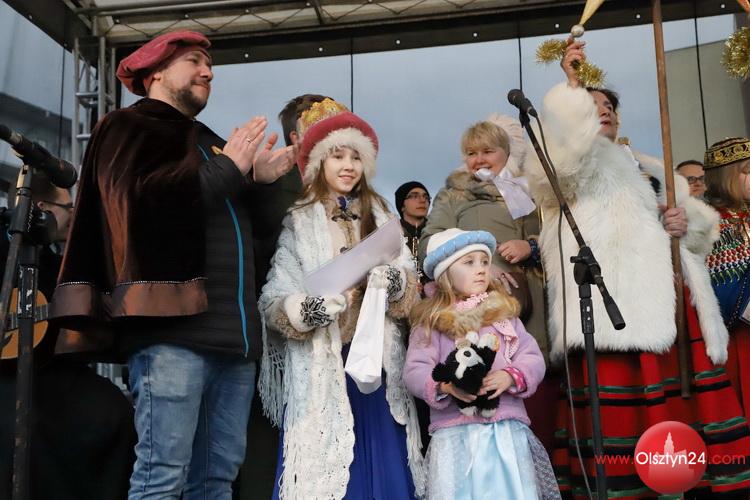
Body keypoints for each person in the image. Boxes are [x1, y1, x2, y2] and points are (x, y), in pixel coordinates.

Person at [50, 30, 295, 499]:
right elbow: (140, 209)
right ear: (156, 72)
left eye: (210, 65)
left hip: (233, 340)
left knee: (217, 479)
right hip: (171, 335)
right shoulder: (127, 127)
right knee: (161, 476)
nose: (208, 72)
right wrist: (231, 168)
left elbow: (256, 236)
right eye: (195, 61)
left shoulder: (210, 144)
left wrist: (260, 181)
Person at [525, 37, 750, 498]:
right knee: (622, 428)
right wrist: (571, 86)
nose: (602, 110)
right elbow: (563, 155)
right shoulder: (570, 167)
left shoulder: (651, 166)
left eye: (608, 105)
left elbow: (699, 236)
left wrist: (683, 224)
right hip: (613, 310)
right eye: (591, 106)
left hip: (671, 307)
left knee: (685, 423)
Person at [258, 98, 425, 499]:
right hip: (325, 365)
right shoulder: (299, 220)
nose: (348, 165)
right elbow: (274, 299)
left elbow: (411, 284)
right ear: (319, 162)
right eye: (337, 156)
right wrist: (311, 309)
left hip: (376, 365)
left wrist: (393, 281)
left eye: (355, 157)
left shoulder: (382, 215)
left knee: (384, 463)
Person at [0, 173, 136, 500]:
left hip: (53, 371)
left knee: (114, 412)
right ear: (41, 208)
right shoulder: (5, 247)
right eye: (68, 207)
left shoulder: (60, 264)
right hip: (7, 378)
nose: (74, 214)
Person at [403, 228, 559, 500]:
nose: (481, 269)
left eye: (485, 262)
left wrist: (511, 376)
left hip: (504, 430)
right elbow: (415, 370)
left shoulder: (503, 316)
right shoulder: (432, 322)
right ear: (446, 273)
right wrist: (445, 387)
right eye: (469, 262)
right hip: (455, 433)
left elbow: (532, 357)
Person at [704, 137, 750, 415]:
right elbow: (720, 292)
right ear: (726, 176)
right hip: (739, 339)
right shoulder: (712, 223)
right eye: (747, 171)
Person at [395, 181, 431, 271]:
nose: (422, 200)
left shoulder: (438, 233)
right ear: (402, 206)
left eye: (426, 197)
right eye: (414, 196)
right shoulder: (392, 235)